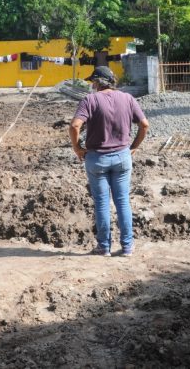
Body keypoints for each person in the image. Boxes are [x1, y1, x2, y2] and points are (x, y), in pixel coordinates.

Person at [69, 66, 149, 257]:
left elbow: (74, 126)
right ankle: (127, 247)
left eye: (93, 81)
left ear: (97, 81)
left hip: (97, 159)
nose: (92, 85)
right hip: (122, 157)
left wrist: (77, 148)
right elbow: (144, 125)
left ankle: (104, 247)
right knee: (122, 202)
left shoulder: (90, 100)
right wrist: (134, 147)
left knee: (102, 203)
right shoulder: (128, 99)